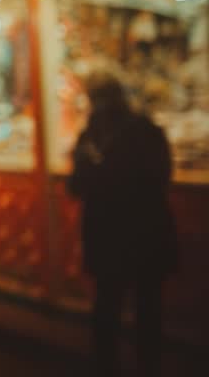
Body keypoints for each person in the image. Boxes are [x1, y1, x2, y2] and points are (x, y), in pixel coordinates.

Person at [68, 72, 178, 377]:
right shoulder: (148, 131)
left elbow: (75, 186)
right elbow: (163, 177)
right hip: (148, 232)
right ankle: (148, 366)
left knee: (108, 306)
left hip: (108, 235)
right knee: (148, 309)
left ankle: (107, 367)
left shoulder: (90, 138)